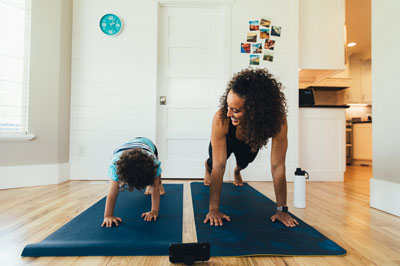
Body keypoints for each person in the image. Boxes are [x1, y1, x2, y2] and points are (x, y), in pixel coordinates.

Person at [203, 68, 299, 228]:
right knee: (214, 163)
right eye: (228, 106)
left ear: (256, 110)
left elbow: (278, 167)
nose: (228, 113)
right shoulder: (221, 119)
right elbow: (220, 166)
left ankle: (237, 170)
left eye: (235, 110)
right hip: (227, 139)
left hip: (249, 141)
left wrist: (282, 210)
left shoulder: (277, 121)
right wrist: (214, 209)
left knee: (245, 162)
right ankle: (206, 166)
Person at [101, 137, 165, 227]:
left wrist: (154, 211)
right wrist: (108, 215)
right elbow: (113, 191)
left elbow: (155, 187)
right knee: (114, 186)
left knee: (156, 178)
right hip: (125, 149)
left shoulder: (153, 162)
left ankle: (161, 185)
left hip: (148, 144)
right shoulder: (115, 165)